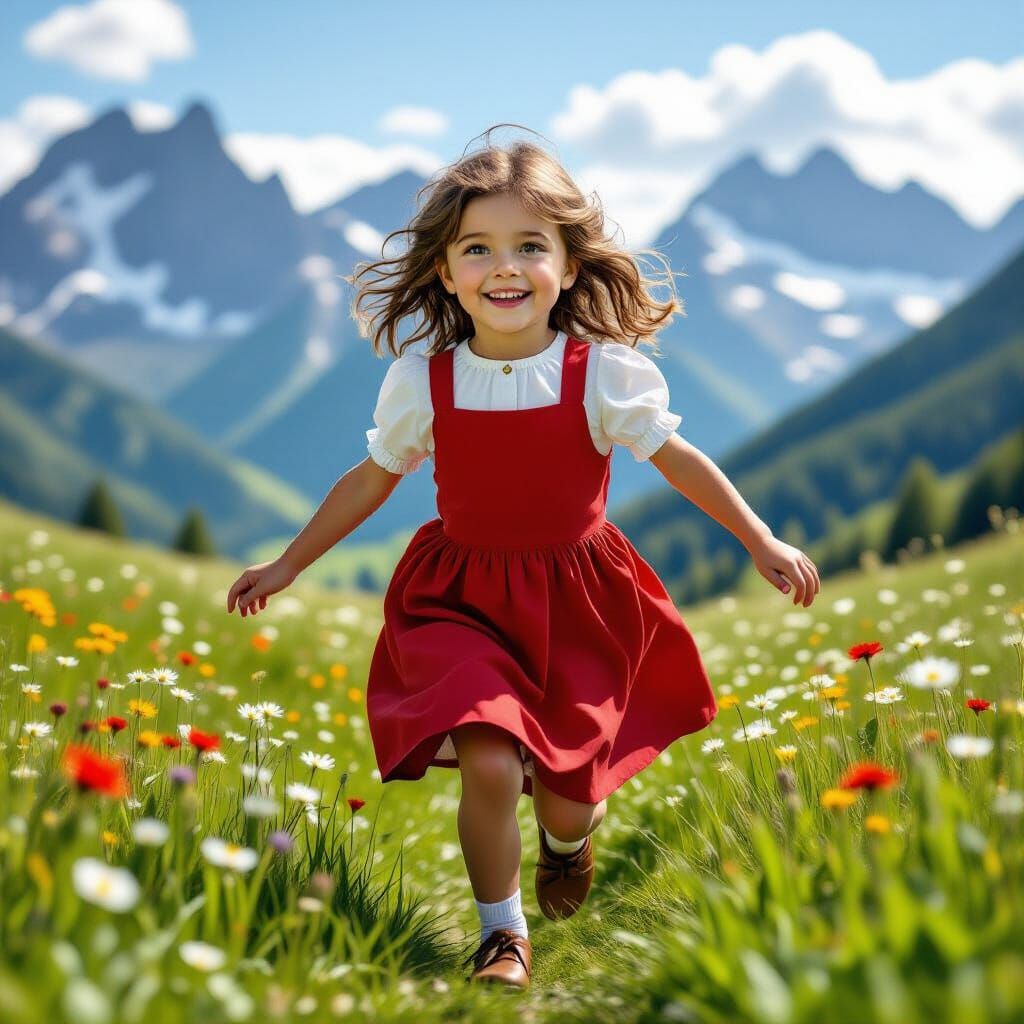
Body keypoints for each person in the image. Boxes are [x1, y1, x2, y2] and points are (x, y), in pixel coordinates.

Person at [226, 126, 821, 990]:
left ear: (569, 266)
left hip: (579, 602)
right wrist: (287, 565)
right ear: (445, 271)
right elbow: (372, 478)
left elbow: (679, 460)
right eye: (477, 248)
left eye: (530, 247)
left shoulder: (602, 374)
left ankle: (566, 841)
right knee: (491, 759)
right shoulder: (424, 382)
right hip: (459, 599)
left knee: (571, 797)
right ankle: (502, 937)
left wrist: (760, 538)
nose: (503, 267)